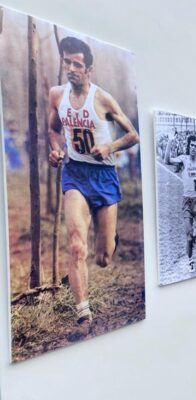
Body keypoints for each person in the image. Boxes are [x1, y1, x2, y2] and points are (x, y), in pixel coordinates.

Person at [47, 37, 139, 339]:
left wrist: (109, 145)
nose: (71, 68)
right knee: (75, 244)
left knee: (102, 257)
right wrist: (56, 149)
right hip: (75, 174)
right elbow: (53, 128)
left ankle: (109, 239)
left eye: (77, 64)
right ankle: (83, 314)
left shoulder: (103, 99)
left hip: (104, 176)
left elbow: (133, 135)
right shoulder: (56, 95)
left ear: (89, 69)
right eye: (67, 62)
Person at [165, 134, 196, 273]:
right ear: (189, 147)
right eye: (192, 146)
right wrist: (170, 142)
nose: (194, 148)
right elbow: (167, 160)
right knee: (188, 238)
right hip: (187, 202)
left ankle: (195, 233)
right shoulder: (184, 159)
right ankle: (190, 261)